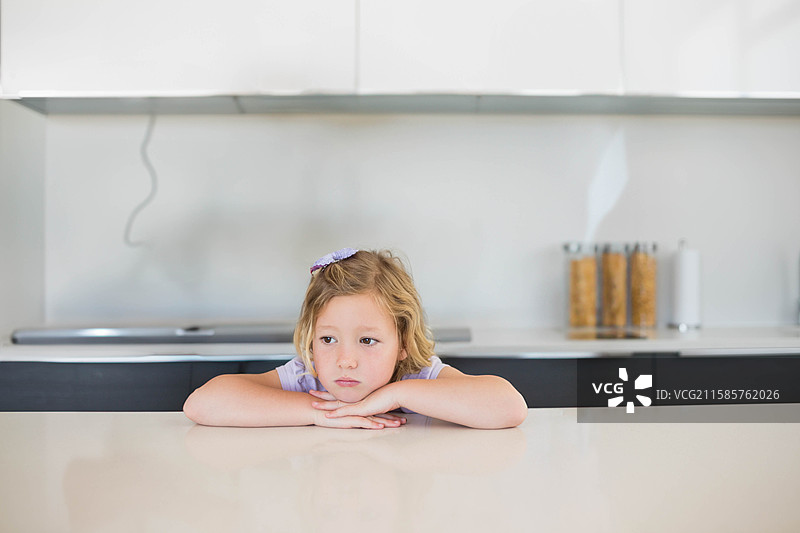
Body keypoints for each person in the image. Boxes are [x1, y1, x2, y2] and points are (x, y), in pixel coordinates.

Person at [183, 248, 528, 429]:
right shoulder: (309, 379)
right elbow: (202, 403)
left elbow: (509, 406)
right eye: (329, 340)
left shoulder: (418, 377)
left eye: (367, 341)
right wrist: (319, 413)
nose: (344, 360)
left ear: (403, 342)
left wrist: (396, 393)